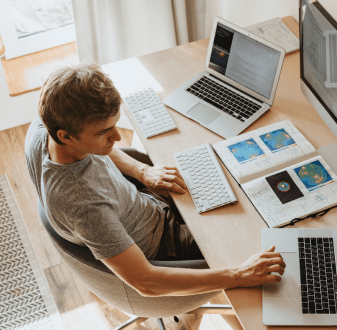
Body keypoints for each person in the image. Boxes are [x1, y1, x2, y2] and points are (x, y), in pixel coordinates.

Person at [25, 62, 286, 297]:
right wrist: (239, 276)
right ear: (66, 136)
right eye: (104, 132)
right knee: (262, 236)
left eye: (115, 125)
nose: (116, 138)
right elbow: (146, 282)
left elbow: (99, 146)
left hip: (146, 206)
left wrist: (142, 172)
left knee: (235, 184)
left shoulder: (44, 129)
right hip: (165, 248)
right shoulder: (83, 206)